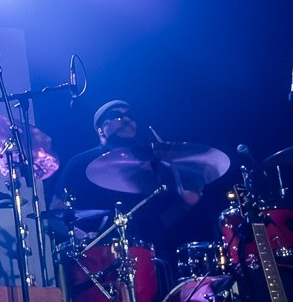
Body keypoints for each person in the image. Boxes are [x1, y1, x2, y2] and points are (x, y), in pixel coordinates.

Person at [51, 98, 205, 252]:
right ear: (100, 129)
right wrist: (82, 238)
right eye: (116, 116)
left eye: (130, 116)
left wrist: (185, 205)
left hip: (150, 256)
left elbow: (159, 224)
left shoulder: (149, 165)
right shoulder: (81, 163)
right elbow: (55, 214)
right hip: (100, 259)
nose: (126, 120)